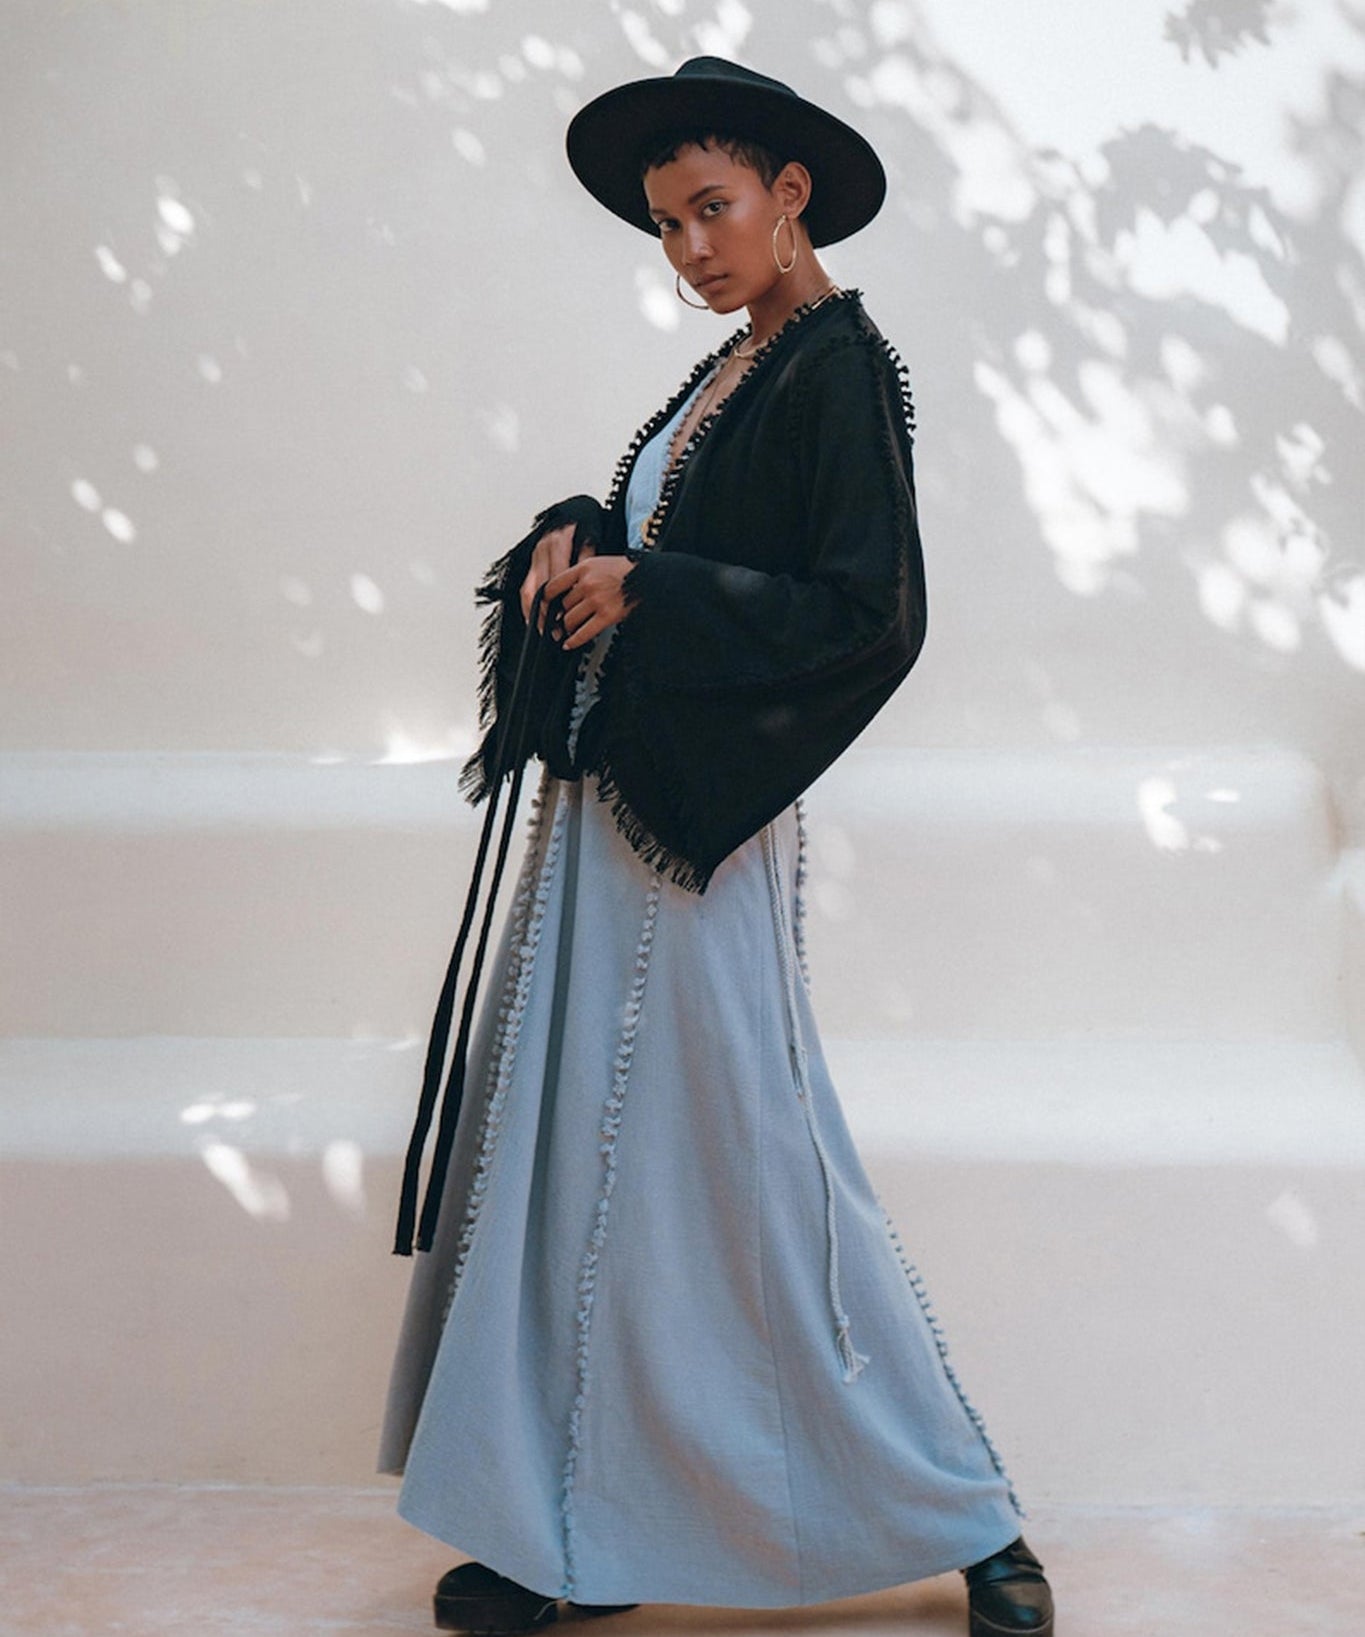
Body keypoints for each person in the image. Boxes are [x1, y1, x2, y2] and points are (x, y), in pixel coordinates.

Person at [379, 57, 1055, 1637]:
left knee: (745, 1162)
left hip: (696, 836)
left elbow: (866, 613)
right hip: (607, 824)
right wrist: (576, 543)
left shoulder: (833, 366)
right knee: (583, 1170)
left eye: (710, 208)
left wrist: (652, 591)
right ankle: (570, 1531)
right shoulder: (721, 377)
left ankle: (970, 1517)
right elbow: (666, 549)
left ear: (787, 194)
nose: (687, 246)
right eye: (663, 225)